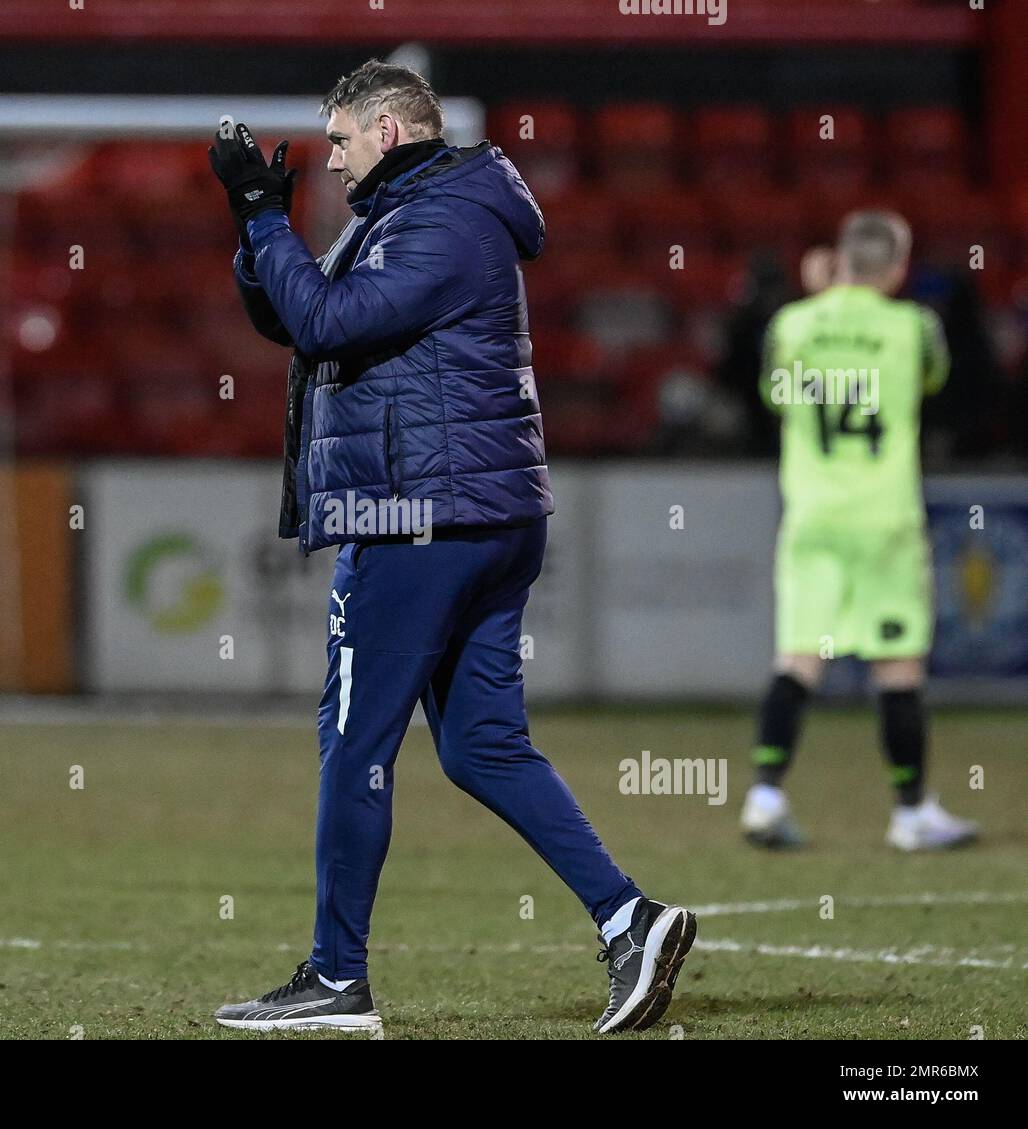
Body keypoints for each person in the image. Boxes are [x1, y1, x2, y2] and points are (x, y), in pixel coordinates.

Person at [207, 59, 694, 1034]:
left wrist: (269, 222)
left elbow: (324, 319)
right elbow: (288, 320)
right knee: (480, 746)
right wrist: (254, 218)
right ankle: (628, 917)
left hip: (416, 513)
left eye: (342, 141)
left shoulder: (439, 219)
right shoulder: (419, 210)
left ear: (389, 130)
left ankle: (336, 979)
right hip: (476, 509)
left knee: (354, 743)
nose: (334, 162)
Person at [740, 210, 979, 852]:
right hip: (885, 522)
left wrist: (823, 305)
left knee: (797, 659)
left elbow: (772, 395)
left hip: (813, 518)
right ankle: (909, 815)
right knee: (896, 668)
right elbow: (935, 379)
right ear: (899, 267)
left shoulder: (791, 324)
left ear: (840, 259)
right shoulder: (914, 327)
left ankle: (765, 796)